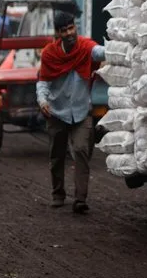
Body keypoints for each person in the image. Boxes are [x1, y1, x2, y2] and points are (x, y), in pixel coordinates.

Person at [37, 12, 105, 213]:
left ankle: (80, 199)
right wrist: (42, 101)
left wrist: (122, 46)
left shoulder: (85, 48)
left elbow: (100, 53)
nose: (69, 33)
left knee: (82, 150)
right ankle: (58, 194)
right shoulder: (50, 55)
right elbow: (43, 83)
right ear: (57, 33)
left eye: (71, 28)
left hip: (82, 111)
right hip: (57, 112)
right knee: (57, 156)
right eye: (64, 30)